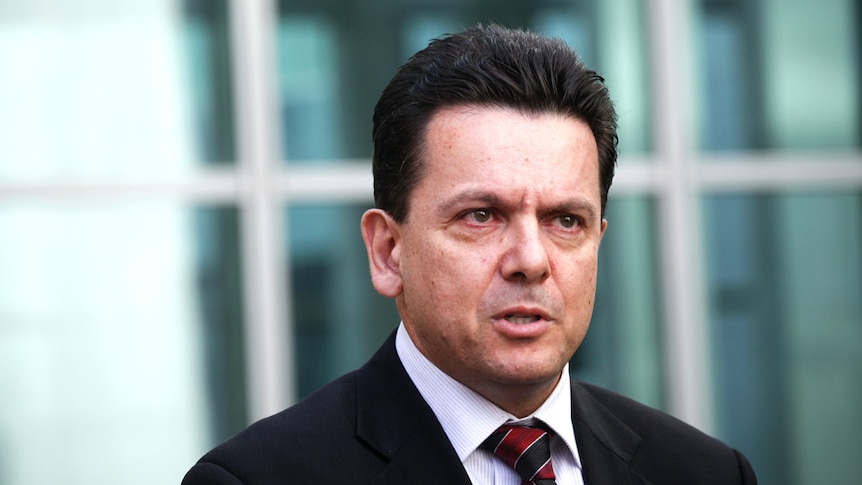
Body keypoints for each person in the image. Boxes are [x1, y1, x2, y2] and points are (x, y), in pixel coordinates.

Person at [182, 24, 757, 484]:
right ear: (388, 252)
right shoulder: (255, 479)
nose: (530, 260)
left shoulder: (705, 471)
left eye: (565, 220)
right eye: (481, 216)